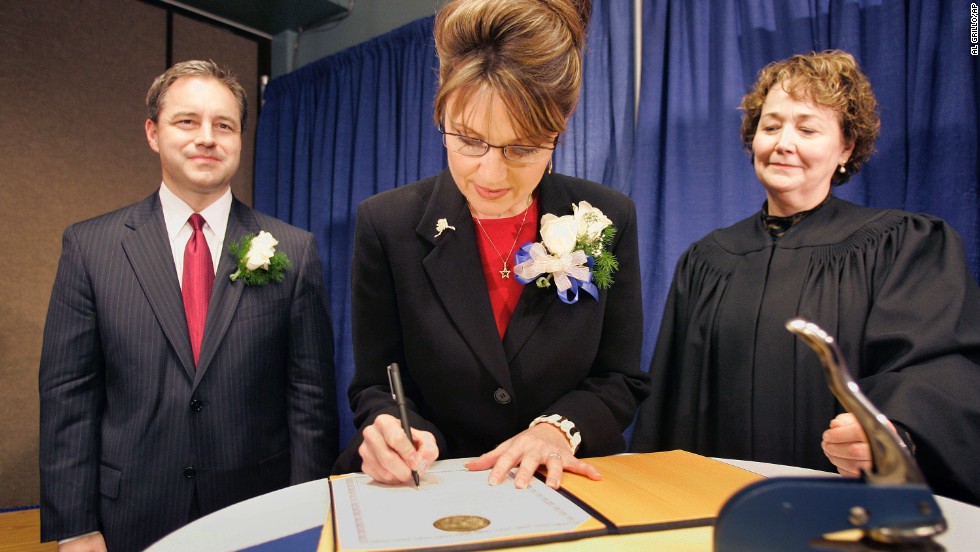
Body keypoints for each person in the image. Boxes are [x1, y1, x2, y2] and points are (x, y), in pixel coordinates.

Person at [631, 50, 980, 505]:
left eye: (808, 128)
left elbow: (942, 370)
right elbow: (669, 405)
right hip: (721, 509)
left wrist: (896, 430)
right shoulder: (708, 260)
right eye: (771, 126)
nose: (783, 143)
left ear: (846, 147)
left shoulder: (901, 246)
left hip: (848, 508)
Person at [333, 0, 649, 490]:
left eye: (521, 148)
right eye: (469, 140)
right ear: (442, 108)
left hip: (562, 483)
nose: (490, 174)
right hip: (437, 485)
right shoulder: (387, 223)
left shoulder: (608, 217)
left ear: (560, 126)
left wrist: (557, 429)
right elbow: (377, 382)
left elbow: (621, 378)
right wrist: (395, 427)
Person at [38, 60, 338, 551]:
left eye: (224, 125)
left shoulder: (292, 248)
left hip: (257, 513)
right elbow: (69, 397)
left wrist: (303, 515)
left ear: (241, 138)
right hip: (128, 516)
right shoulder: (91, 247)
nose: (207, 137)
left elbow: (310, 400)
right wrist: (74, 526)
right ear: (153, 133)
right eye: (187, 121)